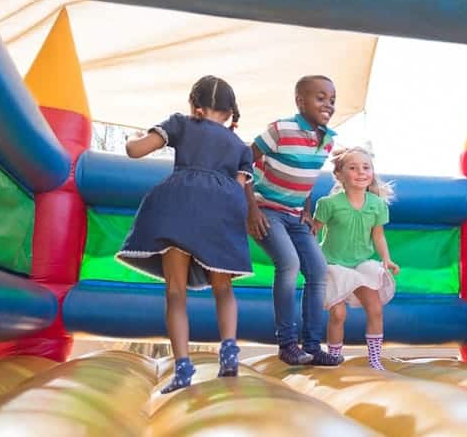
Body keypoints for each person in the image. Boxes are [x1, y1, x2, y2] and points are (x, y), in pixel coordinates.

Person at [116, 75, 253, 393]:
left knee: (176, 293)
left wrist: (132, 137)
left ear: (194, 105)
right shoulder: (239, 146)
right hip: (222, 209)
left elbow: (136, 151)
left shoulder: (180, 123)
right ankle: (229, 350)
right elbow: (240, 186)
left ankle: (182, 367)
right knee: (223, 288)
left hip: (177, 205)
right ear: (230, 113)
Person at [244, 75, 343, 366]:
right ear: (300, 101)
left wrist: (308, 212)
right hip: (267, 210)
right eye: (320, 98)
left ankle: (311, 346)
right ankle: (287, 343)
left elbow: (305, 180)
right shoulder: (280, 129)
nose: (328, 104)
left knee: (318, 270)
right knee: (289, 263)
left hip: (295, 215)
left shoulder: (327, 140)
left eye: (332, 100)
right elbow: (243, 161)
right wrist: (252, 209)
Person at [312, 147, 398, 370]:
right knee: (338, 314)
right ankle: (334, 357)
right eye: (353, 168)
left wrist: (386, 259)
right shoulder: (328, 204)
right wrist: (310, 260)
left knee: (375, 308)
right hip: (333, 263)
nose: (361, 172)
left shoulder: (377, 204)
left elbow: (378, 236)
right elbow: (312, 232)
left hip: (361, 264)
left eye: (366, 167)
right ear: (339, 175)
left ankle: (375, 359)